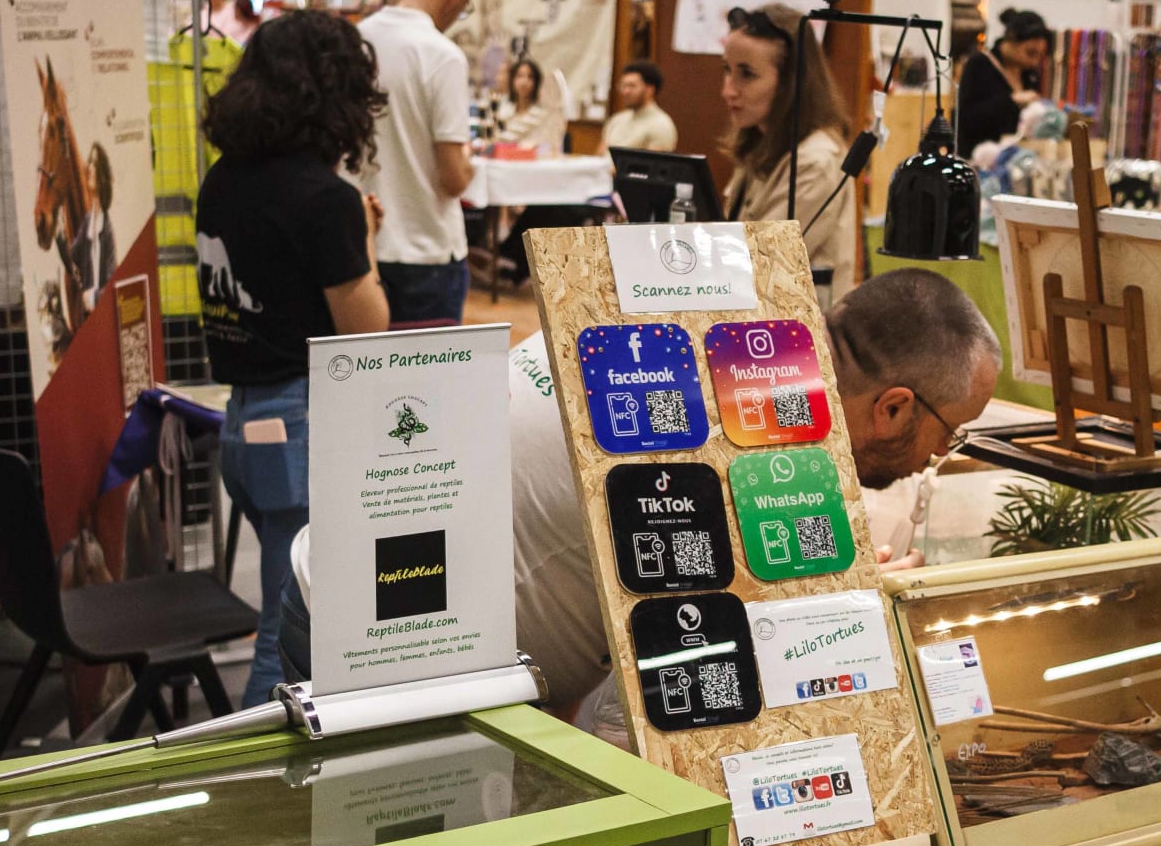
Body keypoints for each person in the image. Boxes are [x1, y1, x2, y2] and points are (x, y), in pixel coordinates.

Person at [275, 269, 1001, 743]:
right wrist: (836, 602)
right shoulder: (736, 432)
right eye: (952, 429)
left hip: (394, 609)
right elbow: (686, 670)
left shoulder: (719, 349)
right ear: (896, 406)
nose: (942, 454)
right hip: (379, 634)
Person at [196, 9, 389, 705]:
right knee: (289, 648)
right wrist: (363, 240)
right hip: (303, 426)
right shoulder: (323, 197)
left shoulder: (223, 179)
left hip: (243, 427)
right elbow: (364, 331)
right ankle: (254, 788)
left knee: (284, 619)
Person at [358, 0, 475, 324]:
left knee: (364, 378)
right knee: (428, 382)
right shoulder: (442, 55)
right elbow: (453, 178)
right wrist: (471, 164)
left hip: (361, 243)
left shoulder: (353, 41)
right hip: (426, 247)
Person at [720, 4, 858, 297]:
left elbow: (760, 261)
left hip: (798, 335)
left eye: (746, 74)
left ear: (790, 83)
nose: (729, 90)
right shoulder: (761, 144)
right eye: (727, 71)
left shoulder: (816, 161)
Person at [957, 8, 1051, 157]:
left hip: (1016, 160)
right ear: (1011, 40)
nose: (1034, 62)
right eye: (1030, 53)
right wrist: (1010, 101)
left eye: (1039, 56)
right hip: (980, 159)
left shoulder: (1029, 74)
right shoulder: (979, 65)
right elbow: (966, 119)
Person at [73, 143, 116, 312]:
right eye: (89, 161)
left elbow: (115, 283)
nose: (89, 167)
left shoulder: (107, 230)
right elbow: (73, 256)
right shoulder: (87, 223)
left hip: (103, 316)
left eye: (94, 163)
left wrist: (94, 297)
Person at [603, 60, 677, 152]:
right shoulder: (616, 119)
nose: (625, 91)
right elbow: (600, 155)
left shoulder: (661, 125)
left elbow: (651, 164)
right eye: (623, 85)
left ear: (650, 89)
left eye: (632, 86)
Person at [497, 57, 566, 154]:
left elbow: (547, 145)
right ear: (512, 80)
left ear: (536, 82)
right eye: (520, 76)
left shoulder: (542, 115)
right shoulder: (504, 112)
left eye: (530, 77)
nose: (524, 82)